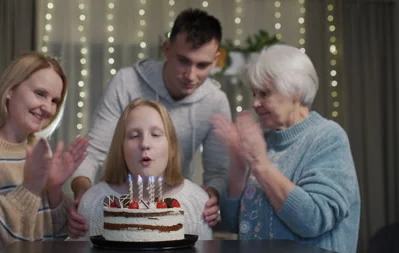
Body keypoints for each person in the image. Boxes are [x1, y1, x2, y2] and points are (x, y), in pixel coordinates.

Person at [68, 8, 230, 238]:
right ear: (167, 49)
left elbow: (218, 172)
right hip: (120, 206)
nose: (191, 75)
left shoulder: (216, 102)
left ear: (215, 60)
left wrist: (211, 195)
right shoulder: (126, 82)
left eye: (202, 65)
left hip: (173, 211)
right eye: (183, 61)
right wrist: (83, 198)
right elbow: (93, 152)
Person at [212, 44, 360, 253]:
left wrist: (260, 165)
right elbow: (234, 225)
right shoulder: (265, 141)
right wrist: (238, 163)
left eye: (264, 93)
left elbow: (313, 220)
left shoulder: (328, 137)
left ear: (295, 92)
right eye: (253, 94)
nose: (255, 103)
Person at [0, 52, 89, 253]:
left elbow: (52, 238)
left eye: (55, 100)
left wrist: (54, 189)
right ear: (10, 89)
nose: (48, 108)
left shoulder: (40, 149)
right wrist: (28, 189)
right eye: (40, 93)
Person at [74, 98, 213, 241]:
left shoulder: (197, 201)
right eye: (134, 136)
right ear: (121, 147)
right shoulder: (93, 202)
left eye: (155, 134)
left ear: (171, 146)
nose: (145, 144)